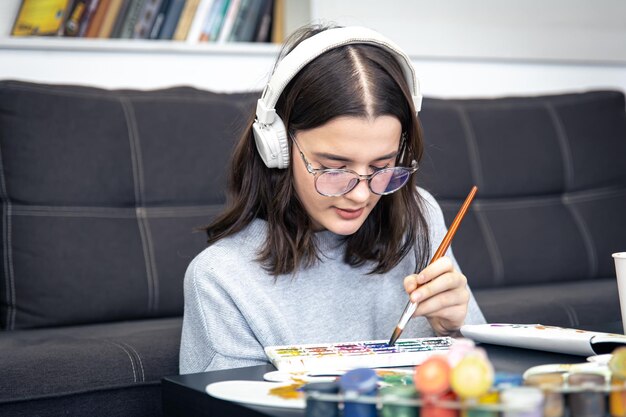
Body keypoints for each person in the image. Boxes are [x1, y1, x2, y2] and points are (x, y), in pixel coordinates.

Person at [179, 23, 485, 374]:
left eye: (382, 166)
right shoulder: (221, 278)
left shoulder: (419, 217)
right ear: (276, 146)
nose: (360, 195)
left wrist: (453, 329)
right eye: (334, 168)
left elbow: (481, 380)